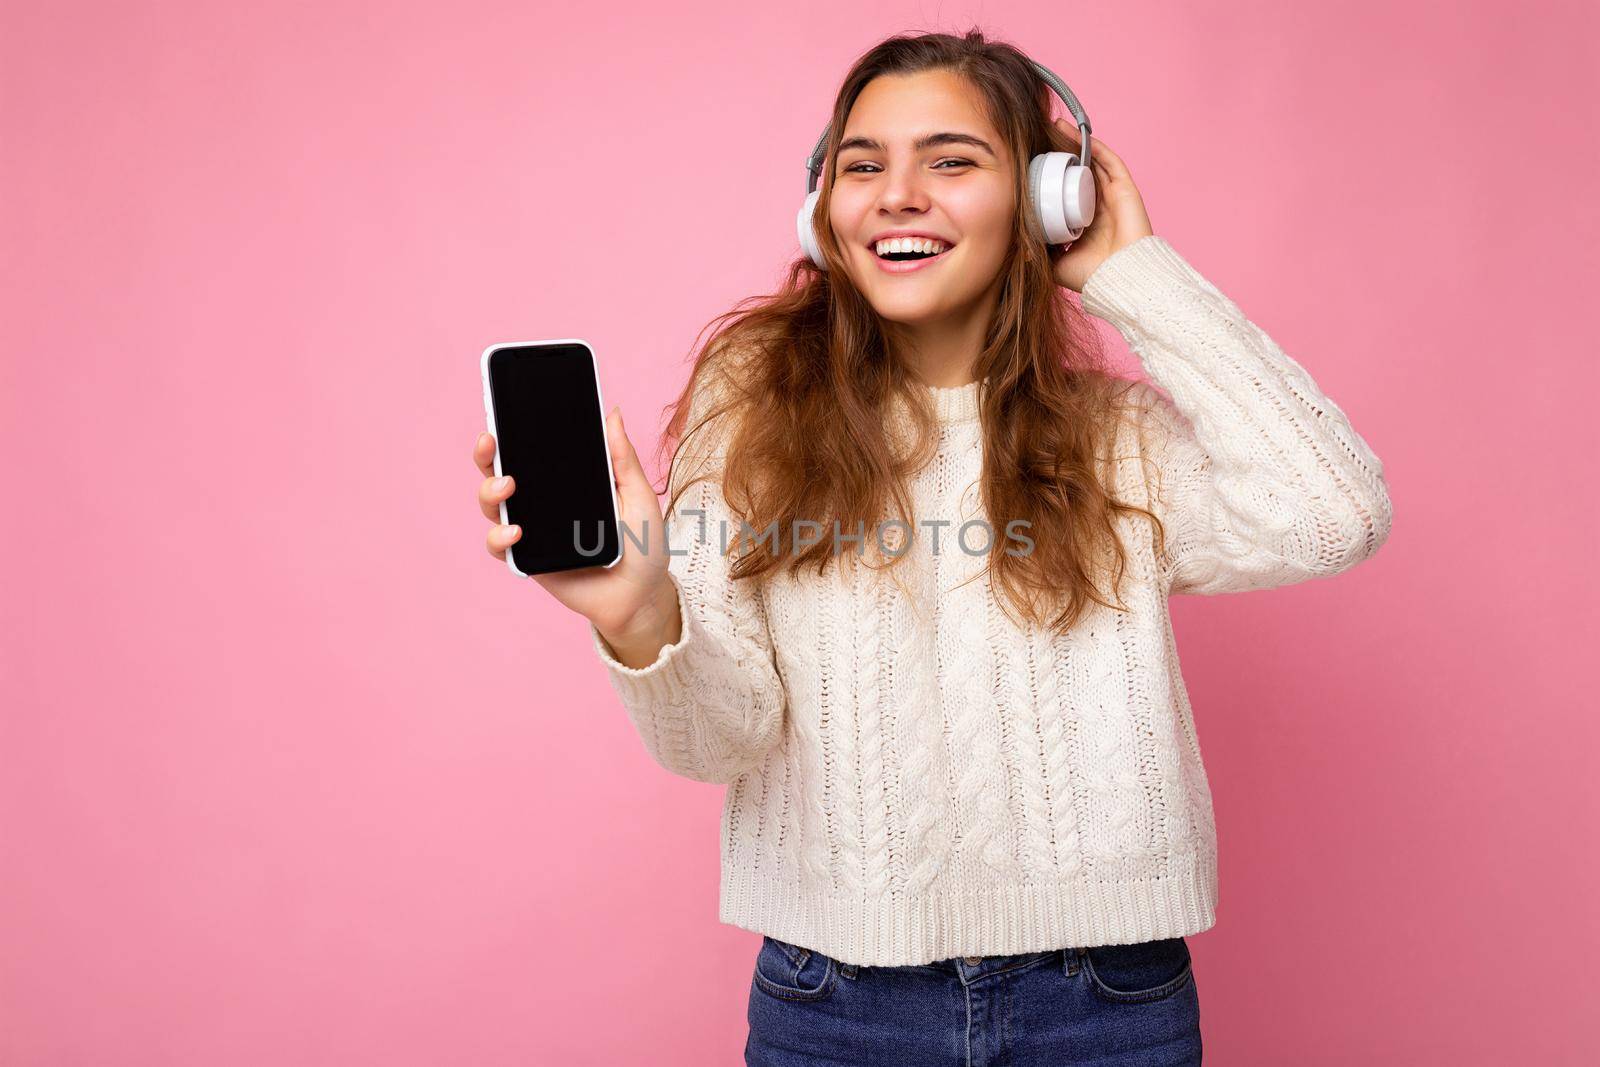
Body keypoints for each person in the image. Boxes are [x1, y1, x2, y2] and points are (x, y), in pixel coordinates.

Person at [471, 28, 1392, 1067]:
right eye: (862, 166)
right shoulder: (751, 416)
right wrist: (639, 613)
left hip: (1104, 999)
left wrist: (1134, 273)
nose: (898, 193)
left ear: (1050, 200)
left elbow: (1332, 513)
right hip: (833, 1001)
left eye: (951, 161)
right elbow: (718, 742)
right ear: (824, 212)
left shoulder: (1119, 442)